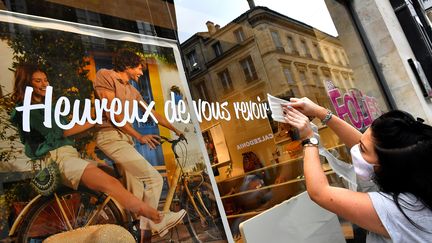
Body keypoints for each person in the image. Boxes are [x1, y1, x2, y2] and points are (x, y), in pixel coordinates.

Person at [10, 64, 162, 227]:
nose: (44, 84)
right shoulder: (27, 110)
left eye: (45, 80)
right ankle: (153, 218)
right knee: (112, 184)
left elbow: (67, 131)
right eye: (37, 81)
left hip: (69, 156)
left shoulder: (47, 107)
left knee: (117, 175)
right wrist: (94, 120)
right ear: (27, 84)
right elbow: (63, 132)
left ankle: (123, 219)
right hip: (59, 161)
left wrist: (95, 122)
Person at [282, 97, 432, 242]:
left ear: (386, 166)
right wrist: (320, 112)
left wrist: (309, 139)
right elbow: (368, 146)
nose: (356, 149)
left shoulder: (400, 209)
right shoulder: (412, 178)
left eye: (362, 149)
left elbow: (319, 192)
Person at [93, 49, 186, 240]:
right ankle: (152, 225)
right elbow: (112, 113)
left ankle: (139, 228)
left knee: (138, 195)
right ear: (127, 66)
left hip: (124, 141)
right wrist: (139, 136)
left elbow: (152, 114)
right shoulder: (105, 75)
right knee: (155, 179)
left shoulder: (132, 90)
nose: (141, 73)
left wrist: (176, 130)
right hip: (110, 137)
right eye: (138, 68)